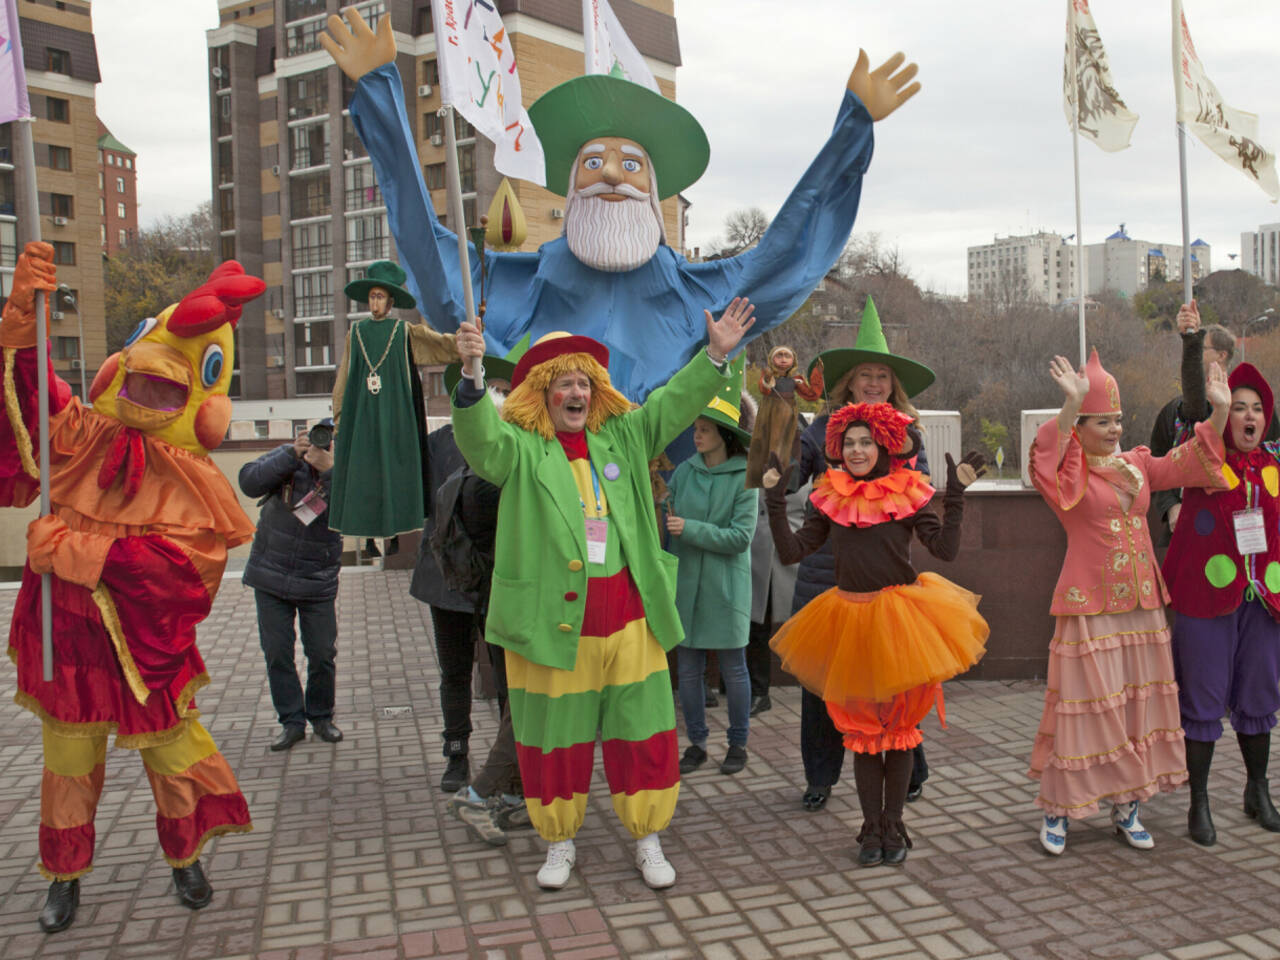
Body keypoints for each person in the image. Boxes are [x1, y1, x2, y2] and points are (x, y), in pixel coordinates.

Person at [322, 7, 919, 402]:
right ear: (573, 187)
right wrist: (378, 89)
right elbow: (429, 251)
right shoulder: (518, 283)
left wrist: (853, 127)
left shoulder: (698, 294)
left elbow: (790, 247)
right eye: (594, 162)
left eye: (631, 165)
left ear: (654, 192)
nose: (611, 173)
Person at [450, 298, 755, 890]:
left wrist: (715, 355)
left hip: (629, 623)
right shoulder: (520, 447)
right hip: (553, 631)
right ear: (543, 393)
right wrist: (469, 377)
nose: (576, 393)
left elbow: (671, 403)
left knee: (641, 735)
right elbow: (480, 442)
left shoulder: (624, 434)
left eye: (583, 383)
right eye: (563, 383)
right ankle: (559, 843)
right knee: (554, 743)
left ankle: (648, 838)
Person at [1, 245, 259, 931]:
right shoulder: (81, 435)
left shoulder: (195, 478)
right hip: (68, 639)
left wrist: (73, 550)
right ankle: (64, 877)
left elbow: (179, 574)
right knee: (67, 762)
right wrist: (24, 322)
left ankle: (186, 859)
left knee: (174, 754)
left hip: (146, 651)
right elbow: (30, 397)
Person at [762, 402, 988, 866]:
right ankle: (871, 829)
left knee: (901, 731)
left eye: (867, 441)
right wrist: (774, 499)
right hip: (849, 622)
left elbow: (943, 551)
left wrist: (957, 495)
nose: (858, 449)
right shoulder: (831, 494)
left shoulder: (907, 491)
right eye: (849, 443)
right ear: (837, 450)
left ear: (884, 445)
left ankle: (894, 822)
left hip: (902, 623)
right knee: (865, 734)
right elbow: (791, 551)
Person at [1028, 350, 1230, 855]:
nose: (1115, 429)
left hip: (1142, 608)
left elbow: (1185, 463)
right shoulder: (1069, 476)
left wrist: (1220, 413)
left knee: (1137, 705)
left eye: (1118, 419)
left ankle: (1128, 804)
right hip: (1089, 605)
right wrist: (1069, 408)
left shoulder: (1136, 465)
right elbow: (1046, 457)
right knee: (1085, 708)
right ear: (1082, 425)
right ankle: (1060, 809)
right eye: (1103, 421)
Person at [790, 297, 936, 811]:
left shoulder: (909, 435)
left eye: (882, 375)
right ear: (848, 382)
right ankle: (821, 776)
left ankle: (907, 766)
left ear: (892, 384)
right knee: (824, 683)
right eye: (865, 375)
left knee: (897, 679)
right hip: (824, 573)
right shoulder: (820, 430)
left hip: (883, 578)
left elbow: (921, 499)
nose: (873, 382)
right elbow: (792, 473)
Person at [1163, 354, 1280, 846]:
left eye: (1257, 408)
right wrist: (1190, 345)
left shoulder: (1275, 464)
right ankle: (1200, 803)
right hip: (1206, 600)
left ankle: (1257, 790)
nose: (1249, 416)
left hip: (1263, 601)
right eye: (1239, 407)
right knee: (1204, 697)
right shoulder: (1202, 457)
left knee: (1259, 695)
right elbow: (1195, 412)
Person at [409, 355, 514, 795]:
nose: (499, 397)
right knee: (454, 671)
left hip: (497, 580)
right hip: (446, 576)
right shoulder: (436, 444)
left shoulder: (515, 443)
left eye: (505, 391)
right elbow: (417, 497)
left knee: (509, 674)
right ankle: (456, 752)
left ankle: (513, 764)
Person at [329, 259, 457, 556]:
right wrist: (339, 417)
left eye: (380, 296)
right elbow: (344, 376)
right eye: (372, 296)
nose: (375, 302)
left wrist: (466, 341)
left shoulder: (405, 332)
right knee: (366, 470)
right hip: (362, 415)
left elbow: (440, 346)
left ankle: (398, 531)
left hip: (396, 412)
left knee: (398, 466)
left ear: (390, 302)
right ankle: (370, 537)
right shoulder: (355, 333)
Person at [666, 382, 758, 776]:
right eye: (696, 427)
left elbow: (740, 538)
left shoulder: (744, 478)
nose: (696, 434)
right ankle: (696, 744)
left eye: (704, 428)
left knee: (733, 669)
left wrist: (690, 529)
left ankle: (738, 743)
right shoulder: (682, 473)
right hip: (686, 586)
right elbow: (663, 516)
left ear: (724, 434)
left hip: (725, 589)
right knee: (687, 670)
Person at [239, 420, 344, 752]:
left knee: (322, 654)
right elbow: (248, 481)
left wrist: (332, 471)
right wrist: (289, 454)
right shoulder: (288, 460)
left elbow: (363, 501)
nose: (321, 444)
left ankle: (322, 717)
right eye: (317, 437)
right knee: (278, 653)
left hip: (318, 579)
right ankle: (292, 722)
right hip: (271, 575)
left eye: (328, 440)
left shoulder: (343, 470)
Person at [1149, 301, 1277, 543]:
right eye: (1238, 409)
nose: (1249, 414)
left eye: (1203, 348)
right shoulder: (1176, 412)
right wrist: (1170, 506)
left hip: (1249, 534)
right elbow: (1158, 462)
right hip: (1195, 530)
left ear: (1221, 355)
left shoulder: (1259, 407)